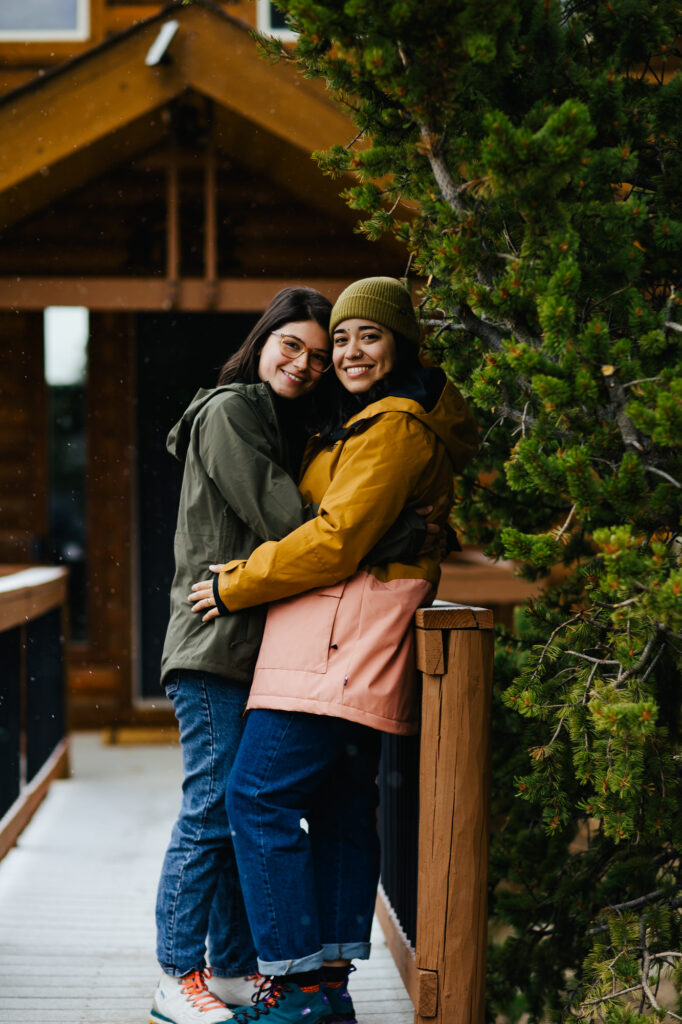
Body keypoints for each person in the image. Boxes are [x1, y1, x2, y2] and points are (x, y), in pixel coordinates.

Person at [189, 277, 479, 1024]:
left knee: (255, 796)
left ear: (401, 343)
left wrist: (236, 584)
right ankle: (325, 982)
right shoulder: (363, 422)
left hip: (341, 633)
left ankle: (289, 985)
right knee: (343, 804)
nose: (349, 352)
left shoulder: (393, 428)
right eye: (338, 340)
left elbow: (334, 540)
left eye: (367, 336)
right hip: (343, 632)